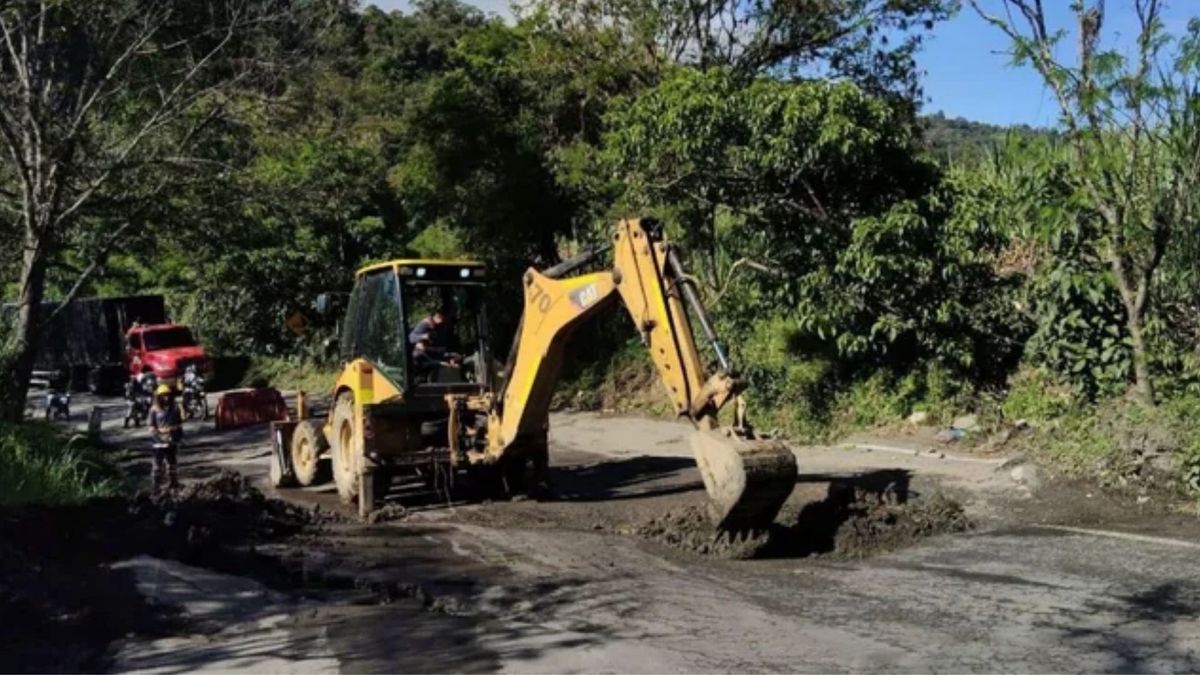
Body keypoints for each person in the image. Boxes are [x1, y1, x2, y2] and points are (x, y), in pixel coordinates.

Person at [148, 383, 183, 491]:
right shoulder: (154, 409)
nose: (166, 397)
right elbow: (151, 427)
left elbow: (179, 424)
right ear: (158, 397)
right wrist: (160, 432)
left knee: (172, 463)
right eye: (163, 395)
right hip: (158, 442)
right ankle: (156, 486)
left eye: (167, 395)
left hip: (172, 441)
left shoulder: (175, 408)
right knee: (157, 465)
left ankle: (174, 483)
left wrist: (176, 433)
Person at [408, 304, 461, 374]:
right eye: (439, 318)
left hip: (437, 355)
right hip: (424, 359)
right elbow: (411, 337)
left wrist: (450, 359)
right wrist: (424, 336)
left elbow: (443, 348)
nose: (441, 321)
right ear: (435, 316)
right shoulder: (425, 324)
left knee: (457, 357)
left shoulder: (442, 327)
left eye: (443, 319)